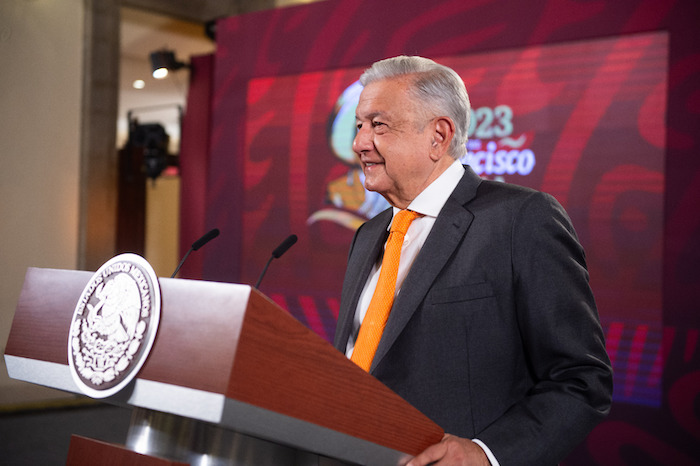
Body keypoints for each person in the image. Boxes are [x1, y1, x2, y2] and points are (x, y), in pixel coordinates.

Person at [332, 56, 613, 465]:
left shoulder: (521, 219)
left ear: (439, 136)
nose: (359, 143)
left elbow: (581, 379)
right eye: (359, 125)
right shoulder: (368, 234)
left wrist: (486, 454)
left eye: (379, 125)